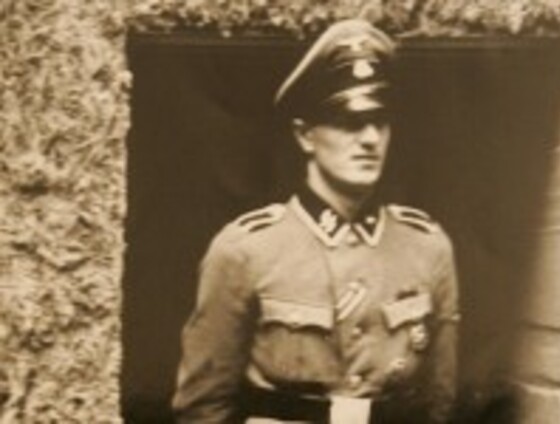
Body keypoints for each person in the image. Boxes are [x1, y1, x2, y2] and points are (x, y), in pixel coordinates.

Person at [172, 19, 460, 424]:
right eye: (349, 121)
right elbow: (202, 409)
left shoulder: (427, 247)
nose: (370, 139)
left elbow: (439, 403)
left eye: (380, 120)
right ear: (305, 135)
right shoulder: (245, 251)